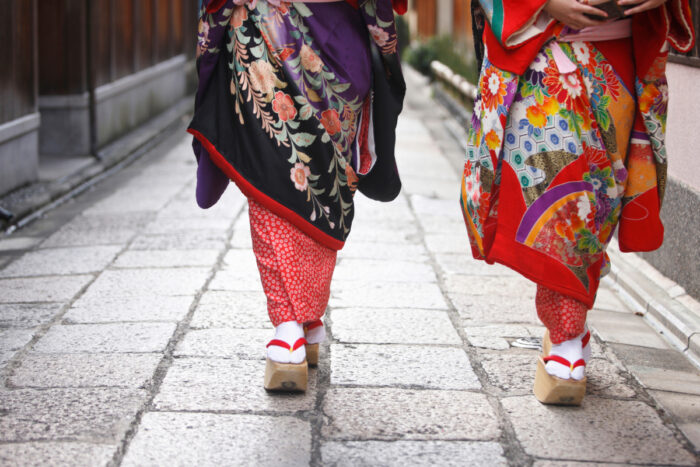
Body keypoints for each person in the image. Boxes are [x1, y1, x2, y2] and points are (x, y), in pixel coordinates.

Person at [462, 0, 694, 404]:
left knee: (599, 198)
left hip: (617, 53)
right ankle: (567, 333)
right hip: (542, 46)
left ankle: (569, 326)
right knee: (565, 194)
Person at [188, 0, 406, 391]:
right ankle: (292, 322)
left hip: (311, 39)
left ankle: (300, 318)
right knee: (278, 173)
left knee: (319, 184)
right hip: (287, 36)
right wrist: (386, 47)